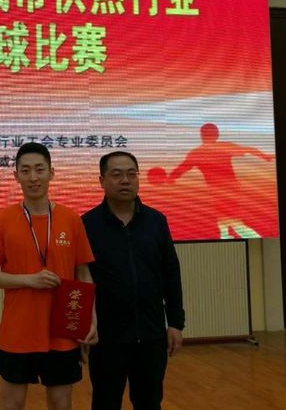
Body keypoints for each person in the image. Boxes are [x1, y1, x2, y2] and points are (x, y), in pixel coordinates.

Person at [0, 142, 97, 410]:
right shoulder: (2, 221)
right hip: (18, 331)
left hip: (63, 329)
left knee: (61, 403)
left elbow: (83, 272)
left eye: (40, 170)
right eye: (26, 170)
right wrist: (29, 280)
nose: (33, 177)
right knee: (13, 403)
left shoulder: (71, 219)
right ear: (16, 176)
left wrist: (91, 317)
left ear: (51, 173)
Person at [82, 151, 184, 410]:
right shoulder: (87, 225)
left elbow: (171, 274)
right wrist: (80, 329)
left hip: (151, 335)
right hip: (107, 338)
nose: (125, 180)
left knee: (149, 402)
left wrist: (175, 323)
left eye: (131, 174)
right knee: (105, 402)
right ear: (102, 181)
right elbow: (80, 279)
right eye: (116, 174)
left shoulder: (156, 221)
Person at [168, 122, 274, 239]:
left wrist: (170, 178)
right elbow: (249, 149)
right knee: (227, 222)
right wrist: (265, 156)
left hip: (218, 192)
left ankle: (239, 237)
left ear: (201, 135)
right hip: (232, 190)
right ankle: (230, 237)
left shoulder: (196, 153)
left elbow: (181, 169)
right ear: (217, 135)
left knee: (229, 222)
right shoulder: (223, 147)